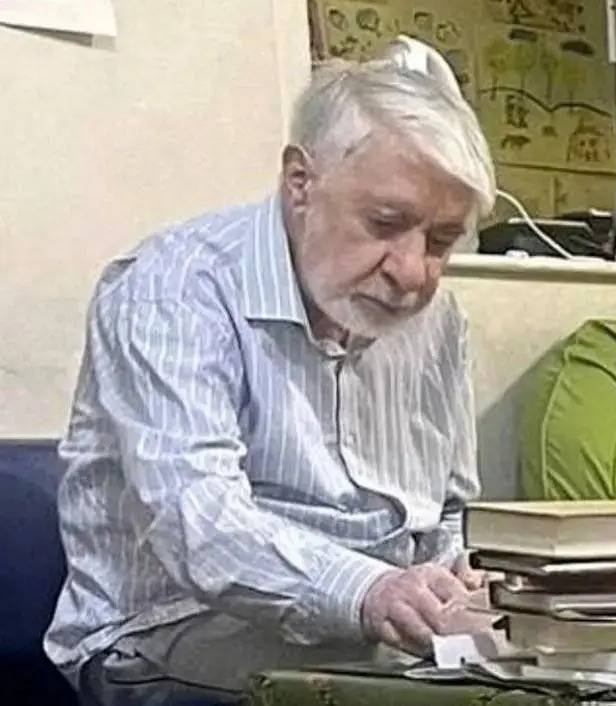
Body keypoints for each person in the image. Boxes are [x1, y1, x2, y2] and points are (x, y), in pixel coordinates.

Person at [45, 38, 497, 703]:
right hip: (168, 627)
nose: (412, 272)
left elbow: (449, 512)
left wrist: (463, 576)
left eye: (441, 241)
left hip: (377, 635)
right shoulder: (173, 288)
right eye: (385, 223)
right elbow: (200, 526)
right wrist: (372, 591)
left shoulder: (438, 321)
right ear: (300, 184)